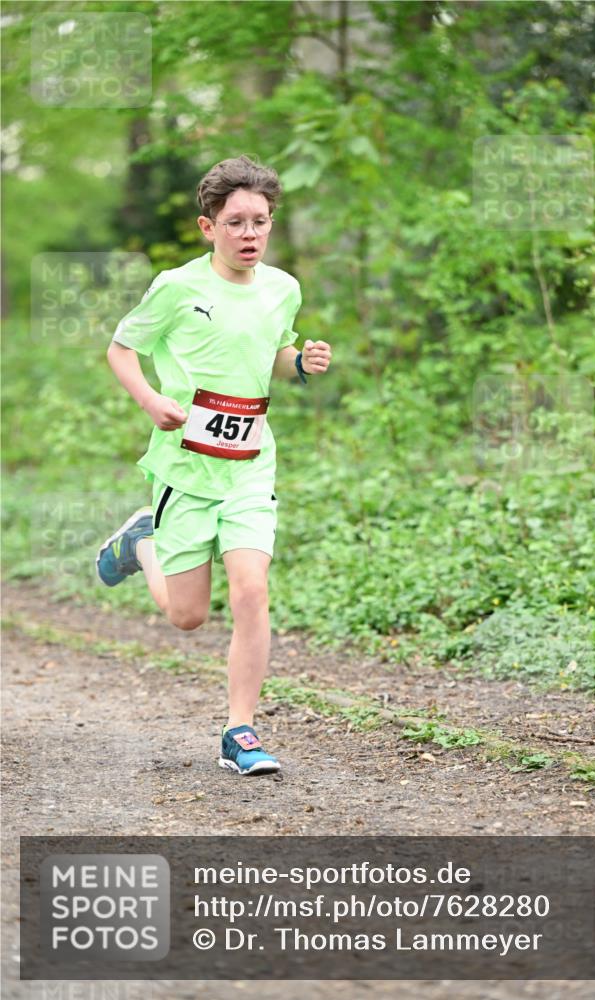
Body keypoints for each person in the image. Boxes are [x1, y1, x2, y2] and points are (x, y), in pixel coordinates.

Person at [95, 154, 332, 775]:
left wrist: (301, 363)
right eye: (235, 222)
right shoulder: (177, 287)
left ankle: (240, 732)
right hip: (185, 471)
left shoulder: (284, 288)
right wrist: (151, 401)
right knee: (187, 616)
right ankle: (142, 542)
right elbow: (122, 350)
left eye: (260, 221)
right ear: (209, 228)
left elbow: (274, 354)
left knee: (252, 590)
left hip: (251, 465)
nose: (249, 233)